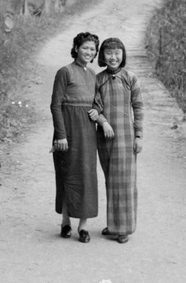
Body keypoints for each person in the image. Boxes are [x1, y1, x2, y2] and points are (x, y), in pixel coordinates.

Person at [92, 37, 144, 244]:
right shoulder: (97, 80)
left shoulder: (130, 78)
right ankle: (114, 225)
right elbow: (94, 108)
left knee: (126, 183)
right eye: (109, 53)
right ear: (102, 56)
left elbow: (138, 108)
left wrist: (139, 136)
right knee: (111, 182)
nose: (113, 57)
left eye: (117, 53)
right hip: (105, 138)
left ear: (123, 55)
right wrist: (103, 122)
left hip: (126, 137)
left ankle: (124, 229)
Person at [50, 31, 100, 243]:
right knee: (67, 173)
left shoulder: (93, 75)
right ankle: (65, 221)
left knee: (87, 176)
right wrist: (61, 135)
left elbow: (98, 103)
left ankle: (83, 226)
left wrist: (97, 112)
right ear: (77, 48)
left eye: (92, 49)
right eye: (85, 47)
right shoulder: (65, 72)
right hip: (68, 130)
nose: (88, 52)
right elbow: (55, 105)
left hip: (88, 131)